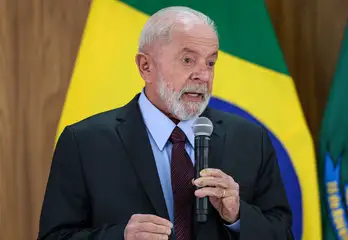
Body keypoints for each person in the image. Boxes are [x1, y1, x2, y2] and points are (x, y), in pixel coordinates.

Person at [38, 6, 293, 240]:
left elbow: (283, 233)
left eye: (211, 62)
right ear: (145, 66)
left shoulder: (250, 139)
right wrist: (120, 237)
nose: (203, 75)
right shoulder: (84, 143)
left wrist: (237, 216)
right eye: (187, 60)